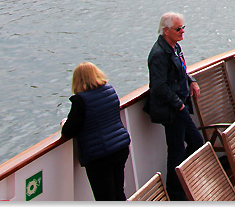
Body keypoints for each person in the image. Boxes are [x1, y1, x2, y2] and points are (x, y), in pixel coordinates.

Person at [145, 12, 204, 201]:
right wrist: (178, 105)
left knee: (193, 143)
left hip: (180, 106)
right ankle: (176, 192)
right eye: (178, 29)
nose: (182, 32)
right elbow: (158, 86)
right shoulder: (158, 54)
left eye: (183, 28)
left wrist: (192, 81)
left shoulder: (174, 47)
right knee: (178, 149)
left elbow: (181, 70)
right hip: (172, 110)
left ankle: (180, 183)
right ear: (166, 31)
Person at [60, 62, 131, 201]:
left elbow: (70, 130)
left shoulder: (81, 101)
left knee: (105, 198)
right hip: (120, 148)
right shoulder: (110, 91)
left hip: (100, 156)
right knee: (118, 192)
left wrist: (64, 124)